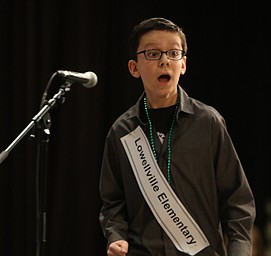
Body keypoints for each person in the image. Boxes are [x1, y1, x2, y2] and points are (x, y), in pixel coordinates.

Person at [99, 17, 256, 256]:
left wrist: (240, 251)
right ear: (134, 67)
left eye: (173, 53)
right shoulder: (122, 131)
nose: (164, 61)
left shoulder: (208, 123)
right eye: (153, 54)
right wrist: (116, 237)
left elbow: (237, 201)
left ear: (183, 64)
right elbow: (113, 203)